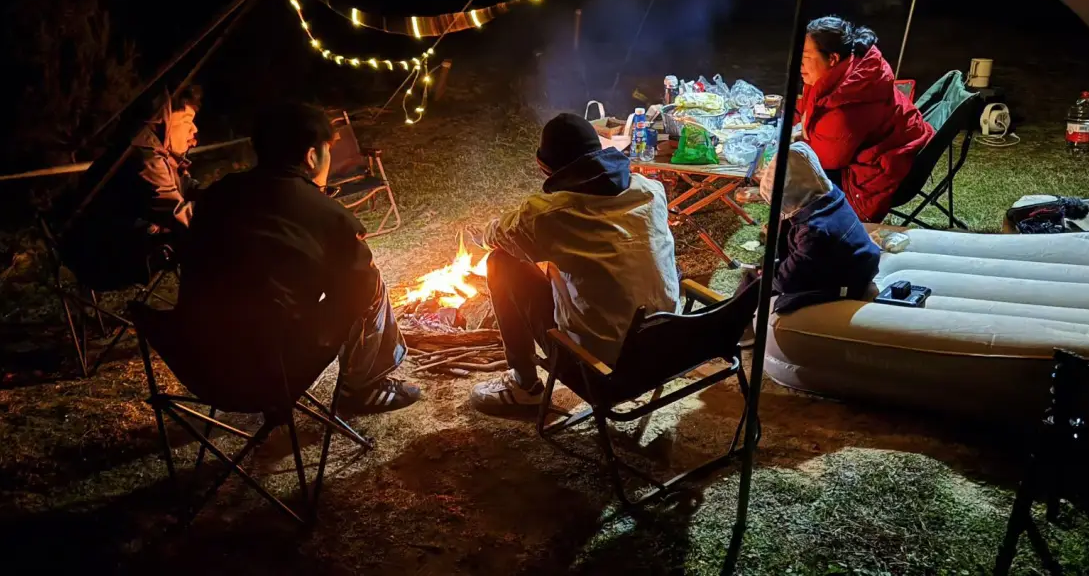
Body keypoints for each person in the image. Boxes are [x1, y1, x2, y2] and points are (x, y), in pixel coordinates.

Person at [178, 103, 419, 413]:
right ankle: (362, 388)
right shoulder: (326, 215)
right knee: (369, 287)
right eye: (328, 150)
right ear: (311, 156)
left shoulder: (217, 195)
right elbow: (360, 289)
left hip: (198, 364)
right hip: (271, 370)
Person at [469, 113, 679, 416]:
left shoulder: (548, 215)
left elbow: (501, 236)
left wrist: (483, 235)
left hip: (600, 368)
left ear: (543, 167)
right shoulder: (651, 190)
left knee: (502, 262)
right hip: (667, 347)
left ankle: (524, 385)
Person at [59, 86, 203, 290]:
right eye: (187, 121)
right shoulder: (143, 154)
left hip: (121, 242)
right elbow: (176, 213)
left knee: (197, 237)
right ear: (166, 118)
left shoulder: (160, 153)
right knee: (201, 239)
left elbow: (186, 186)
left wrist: (217, 196)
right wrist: (220, 215)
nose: (194, 131)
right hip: (101, 256)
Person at [799, 16, 933, 222]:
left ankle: (797, 226)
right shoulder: (855, 67)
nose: (799, 63)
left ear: (833, 58)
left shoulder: (847, 103)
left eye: (806, 56)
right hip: (894, 145)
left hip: (876, 176)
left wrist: (800, 138)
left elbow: (826, 160)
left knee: (798, 171)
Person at [759, 142, 880, 314]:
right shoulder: (833, 199)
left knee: (759, 281)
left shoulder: (813, 232)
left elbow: (784, 282)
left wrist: (768, 268)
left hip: (842, 287)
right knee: (760, 277)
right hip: (860, 267)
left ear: (787, 196)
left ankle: (736, 322)